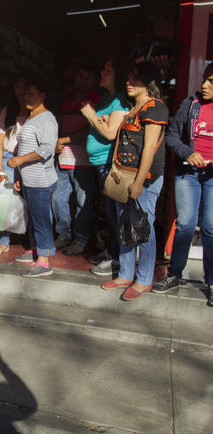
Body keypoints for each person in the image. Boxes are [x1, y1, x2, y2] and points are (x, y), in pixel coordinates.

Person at [99, 62, 169, 300]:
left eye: (134, 79)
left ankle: (144, 279)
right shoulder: (132, 108)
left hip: (145, 178)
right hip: (124, 175)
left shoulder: (155, 108)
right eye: (128, 78)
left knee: (142, 226)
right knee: (123, 223)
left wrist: (139, 182)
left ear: (147, 83)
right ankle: (126, 273)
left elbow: (150, 146)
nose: (128, 83)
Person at [153, 63, 213, 306]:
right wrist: (188, 153)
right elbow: (171, 136)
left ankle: (211, 281)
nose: (205, 85)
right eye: (206, 79)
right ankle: (175, 274)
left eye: (212, 81)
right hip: (188, 174)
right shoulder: (191, 105)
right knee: (186, 225)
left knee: (210, 228)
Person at [80, 59, 130, 276]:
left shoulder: (119, 100)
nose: (102, 72)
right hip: (100, 163)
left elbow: (110, 132)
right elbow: (105, 126)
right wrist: (100, 119)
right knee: (109, 213)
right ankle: (111, 252)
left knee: (115, 213)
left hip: (110, 164)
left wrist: (90, 114)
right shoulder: (106, 98)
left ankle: (117, 258)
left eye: (108, 70)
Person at [8, 76, 59, 277]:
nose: (27, 96)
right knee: (36, 218)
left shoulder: (47, 118)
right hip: (30, 178)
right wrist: (20, 174)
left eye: (32, 93)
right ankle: (38, 252)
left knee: (41, 219)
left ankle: (45, 262)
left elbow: (47, 149)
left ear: (42, 95)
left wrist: (21, 161)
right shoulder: (32, 117)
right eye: (26, 92)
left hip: (40, 179)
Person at [52, 64, 100, 256]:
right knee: (57, 198)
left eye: (89, 76)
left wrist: (64, 140)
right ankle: (63, 234)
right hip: (63, 157)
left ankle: (80, 239)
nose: (83, 80)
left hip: (84, 160)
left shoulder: (96, 101)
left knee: (84, 202)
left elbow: (91, 128)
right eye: (81, 75)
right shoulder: (68, 100)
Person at [0, 75, 29, 256]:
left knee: (29, 200)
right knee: (5, 202)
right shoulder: (8, 111)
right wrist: (0, 169)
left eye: (24, 85)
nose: (21, 90)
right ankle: (4, 240)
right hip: (8, 157)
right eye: (18, 85)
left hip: (29, 159)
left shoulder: (35, 112)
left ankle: (28, 241)